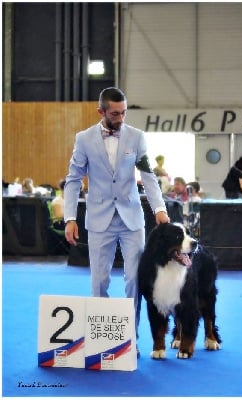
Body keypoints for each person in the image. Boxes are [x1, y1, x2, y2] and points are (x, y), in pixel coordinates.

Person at [64, 87, 169, 351]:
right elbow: (74, 179)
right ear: (101, 112)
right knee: (99, 280)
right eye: (115, 113)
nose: (121, 118)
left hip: (132, 219)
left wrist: (159, 208)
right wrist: (69, 217)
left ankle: (130, 339)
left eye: (124, 112)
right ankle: (101, 339)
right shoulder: (84, 139)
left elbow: (148, 176)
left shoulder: (137, 137)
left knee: (134, 279)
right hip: (99, 219)